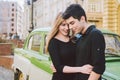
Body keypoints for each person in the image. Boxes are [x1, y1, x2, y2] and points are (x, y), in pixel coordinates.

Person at [62, 4, 106, 80]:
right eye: (69, 24)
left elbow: (99, 67)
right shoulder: (80, 37)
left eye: (72, 23)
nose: (70, 27)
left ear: (82, 19)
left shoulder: (95, 34)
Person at [45, 12, 93, 80]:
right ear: (57, 25)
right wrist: (81, 69)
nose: (67, 28)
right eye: (63, 25)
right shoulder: (53, 43)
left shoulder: (74, 39)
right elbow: (59, 67)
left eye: (68, 25)